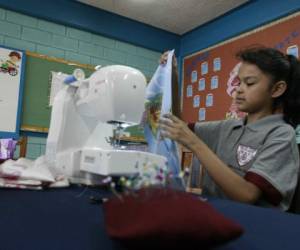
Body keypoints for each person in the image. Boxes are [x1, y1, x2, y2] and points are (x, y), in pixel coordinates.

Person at [159, 47, 300, 211]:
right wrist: (173, 78)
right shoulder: (230, 126)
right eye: (239, 82)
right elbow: (181, 125)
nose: (239, 89)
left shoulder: (281, 134)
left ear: (277, 89)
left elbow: (247, 195)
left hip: (252, 227)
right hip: (214, 216)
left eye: (249, 83)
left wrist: (195, 144)